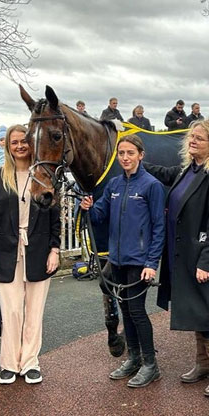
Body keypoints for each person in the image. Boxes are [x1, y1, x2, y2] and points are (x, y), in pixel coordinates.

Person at [144, 119, 209, 397]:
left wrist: (206, 262)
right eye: (191, 137)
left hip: (206, 258)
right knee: (196, 309)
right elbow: (164, 172)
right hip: (184, 255)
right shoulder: (189, 169)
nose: (192, 141)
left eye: (200, 138)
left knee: (208, 312)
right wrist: (133, 162)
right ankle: (203, 364)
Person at [80, 135, 165, 388]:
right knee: (126, 312)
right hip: (117, 259)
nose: (125, 158)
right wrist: (88, 207)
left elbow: (159, 227)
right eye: (121, 153)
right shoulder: (114, 184)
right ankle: (134, 358)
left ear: (141, 155)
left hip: (139, 261)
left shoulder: (152, 186)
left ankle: (151, 365)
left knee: (137, 311)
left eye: (130, 153)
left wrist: (152, 263)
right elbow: (99, 216)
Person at [0, 124, 61, 385]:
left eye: (23, 142)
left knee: (34, 311)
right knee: (12, 310)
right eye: (14, 142)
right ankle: (8, 363)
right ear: (7, 146)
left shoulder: (43, 175)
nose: (19, 146)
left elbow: (54, 214)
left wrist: (55, 248)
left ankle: (30, 362)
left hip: (38, 249)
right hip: (7, 251)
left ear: (31, 144)